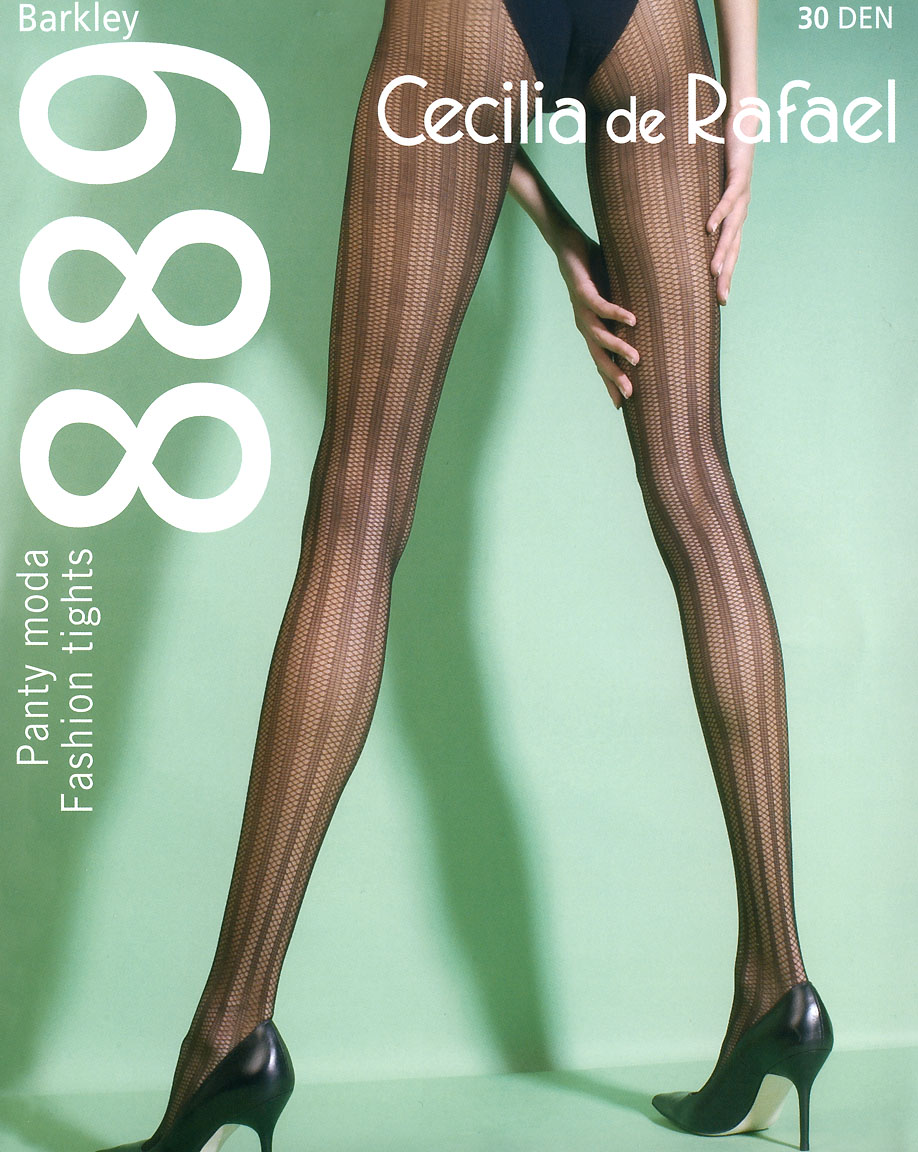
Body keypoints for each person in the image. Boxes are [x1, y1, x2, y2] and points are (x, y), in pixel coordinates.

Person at [98, 0, 832, 1150]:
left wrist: (542, 211)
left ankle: (228, 1038)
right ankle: (779, 986)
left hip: (470, 26)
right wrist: (742, 105)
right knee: (696, 482)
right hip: (654, 31)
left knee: (358, 515)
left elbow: (469, 102)